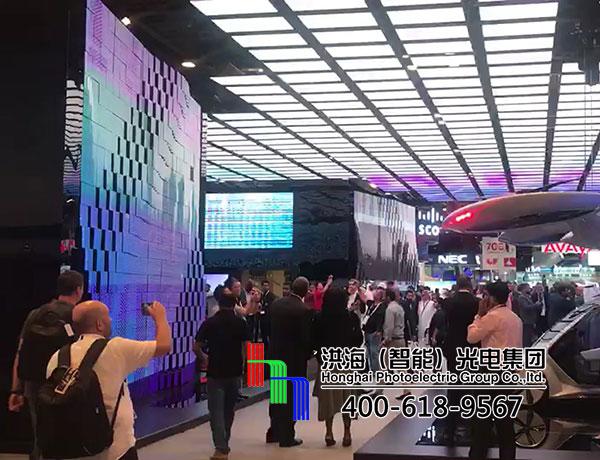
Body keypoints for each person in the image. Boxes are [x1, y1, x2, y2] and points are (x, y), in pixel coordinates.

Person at [46, 299, 171, 460]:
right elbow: (164, 346)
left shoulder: (57, 357)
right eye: (108, 317)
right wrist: (160, 317)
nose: (111, 320)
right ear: (99, 324)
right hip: (115, 450)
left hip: (71, 449)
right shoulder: (116, 348)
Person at [9, 270, 84, 460]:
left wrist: (16, 389)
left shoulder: (35, 314)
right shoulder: (78, 316)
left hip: (34, 385)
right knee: (67, 437)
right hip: (66, 386)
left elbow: (20, 352)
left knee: (40, 434)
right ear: (78, 290)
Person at [467, 281, 523, 460]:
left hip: (490, 373)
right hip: (509, 374)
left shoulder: (491, 317)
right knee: (505, 423)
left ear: (491, 298)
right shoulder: (515, 318)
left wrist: (478, 315)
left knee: (482, 421)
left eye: (485, 295)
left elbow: (472, 337)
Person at [194, 293, 250, 460]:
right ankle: (224, 442)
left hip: (215, 372)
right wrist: (244, 365)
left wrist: (204, 358)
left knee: (216, 411)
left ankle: (221, 447)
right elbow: (247, 346)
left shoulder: (210, 323)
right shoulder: (241, 323)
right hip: (235, 372)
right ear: (234, 304)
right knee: (228, 410)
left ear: (219, 303)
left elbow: (196, 346)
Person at [312, 287, 363, 447]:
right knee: (347, 398)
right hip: (346, 363)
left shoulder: (319, 317)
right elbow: (358, 339)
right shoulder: (351, 317)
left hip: (327, 363)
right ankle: (347, 432)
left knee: (328, 400)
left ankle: (329, 432)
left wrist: (320, 357)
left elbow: (314, 340)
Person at [266, 277, 313, 447]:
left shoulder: (276, 305)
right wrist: (308, 355)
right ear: (306, 291)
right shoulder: (304, 310)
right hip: (295, 360)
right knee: (292, 398)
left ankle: (273, 431)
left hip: (276, 356)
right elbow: (305, 338)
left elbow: (267, 329)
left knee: (277, 395)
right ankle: (287, 436)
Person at [441, 276, 479, 444]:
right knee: (472, 384)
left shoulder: (448, 302)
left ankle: (450, 427)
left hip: (453, 347)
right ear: (470, 286)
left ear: (457, 286)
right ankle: (470, 425)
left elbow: (445, 323)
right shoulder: (477, 302)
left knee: (454, 384)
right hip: (472, 346)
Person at [382, 288, 409, 400]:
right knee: (401, 367)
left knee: (384, 365)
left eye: (384, 296)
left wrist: (386, 340)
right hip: (401, 338)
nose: (383, 298)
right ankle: (407, 390)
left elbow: (389, 327)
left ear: (388, 297)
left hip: (393, 341)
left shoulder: (390, 309)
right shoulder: (399, 307)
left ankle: (378, 391)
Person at [362, 283, 387, 394]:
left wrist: (379, 330)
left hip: (375, 333)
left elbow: (382, 319)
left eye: (378, 292)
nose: (375, 293)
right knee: (369, 353)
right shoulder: (372, 304)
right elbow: (364, 299)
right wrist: (358, 288)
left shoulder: (382, 306)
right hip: (367, 331)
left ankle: (377, 374)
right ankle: (372, 372)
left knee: (374, 353)